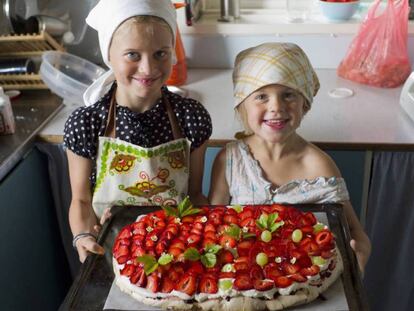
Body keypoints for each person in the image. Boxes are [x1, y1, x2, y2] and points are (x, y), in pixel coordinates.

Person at [64, 0, 212, 263]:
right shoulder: (86, 123)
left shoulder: (190, 117)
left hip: (176, 252)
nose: (148, 69)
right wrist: (82, 237)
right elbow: (81, 202)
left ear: (172, 53)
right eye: (133, 54)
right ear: (109, 55)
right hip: (112, 251)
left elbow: (195, 196)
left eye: (160, 54)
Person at [209, 42, 371, 272]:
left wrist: (360, 256)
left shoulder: (319, 165)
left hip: (306, 277)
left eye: (288, 95)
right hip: (242, 279)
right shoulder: (230, 160)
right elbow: (213, 227)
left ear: (305, 104)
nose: (276, 106)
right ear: (242, 105)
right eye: (262, 96)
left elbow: (356, 234)